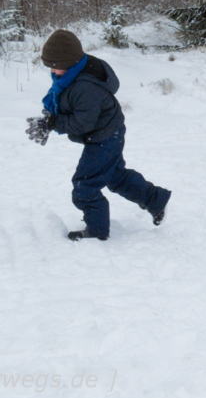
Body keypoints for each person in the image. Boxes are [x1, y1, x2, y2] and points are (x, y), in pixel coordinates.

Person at [26, 29, 171, 241]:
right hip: (108, 132)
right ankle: (156, 200)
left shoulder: (84, 86)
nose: (52, 71)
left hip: (104, 137)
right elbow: (73, 107)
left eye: (55, 66)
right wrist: (51, 117)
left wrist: (53, 123)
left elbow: (81, 123)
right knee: (115, 176)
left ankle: (97, 231)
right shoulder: (73, 73)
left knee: (85, 185)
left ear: (69, 61)